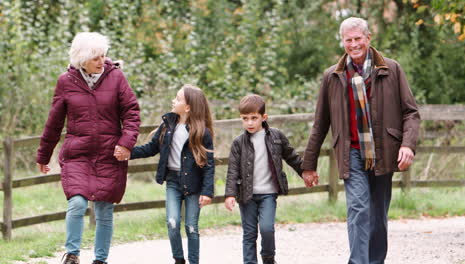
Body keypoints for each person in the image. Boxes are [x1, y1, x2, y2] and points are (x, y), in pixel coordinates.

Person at [301, 17, 420, 264]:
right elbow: (320, 123)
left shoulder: (391, 69)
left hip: (384, 152)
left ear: (368, 38)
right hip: (351, 153)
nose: (354, 44)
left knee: (377, 215)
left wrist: (407, 144)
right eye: (348, 40)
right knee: (358, 209)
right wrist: (309, 164)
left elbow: (411, 113)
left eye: (358, 39)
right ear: (342, 41)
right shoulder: (332, 76)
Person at [36, 32, 140, 264]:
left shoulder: (117, 78)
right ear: (82, 58)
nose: (101, 61)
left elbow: (132, 113)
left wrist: (126, 142)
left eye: (103, 55)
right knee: (77, 202)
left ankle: (100, 260)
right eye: (95, 57)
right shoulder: (66, 82)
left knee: (104, 209)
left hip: (109, 154)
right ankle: (72, 254)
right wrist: (44, 154)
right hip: (77, 155)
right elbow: (54, 122)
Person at [115, 84, 215, 264]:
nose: (173, 101)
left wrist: (207, 191)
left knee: (191, 227)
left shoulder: (201, 132)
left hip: (194, 185)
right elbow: (152, 148)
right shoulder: (167, 126)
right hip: (173, 181)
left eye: (177, 99)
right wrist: (130, 153)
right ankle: (178, 259)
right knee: (172, 222)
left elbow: (209, 164)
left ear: (188, 107)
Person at [224, 94, 304, 264]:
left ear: (264, 117)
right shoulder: (238, 143)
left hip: (269, 193)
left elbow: (292, 157)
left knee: (267, 229)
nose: (250, 123)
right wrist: (230, 194)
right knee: (249, 233)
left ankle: (268, 259)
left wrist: (305, 172)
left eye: (254, 118)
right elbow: (233, 170)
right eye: (245, 119)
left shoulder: (276, 136)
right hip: (247, 195)